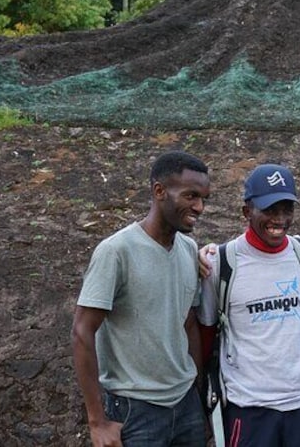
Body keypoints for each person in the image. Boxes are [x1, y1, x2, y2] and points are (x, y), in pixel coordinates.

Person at [71, 150, 211, 447]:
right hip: (136, 410)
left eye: (203, 199)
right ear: (159, 191)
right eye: (190, 196)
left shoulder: (188, 250)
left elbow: (187, 323)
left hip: (186, 404)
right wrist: (97, 421)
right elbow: (82, 331)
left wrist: (198, 393)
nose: (199, 207)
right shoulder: (116, 252)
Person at [196, 164, 300, 446]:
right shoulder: (221, 263)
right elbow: (205, 335)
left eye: (286, 208)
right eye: (269, 209)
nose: (279, 218)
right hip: (249, 408)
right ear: (247, 211)